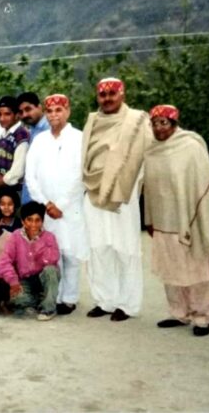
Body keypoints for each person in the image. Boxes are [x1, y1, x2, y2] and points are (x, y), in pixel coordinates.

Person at [145, 104, 209, 336]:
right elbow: (149, 188)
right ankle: (179, 312)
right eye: (154, 123)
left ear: (174, 123)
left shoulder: (191, 146)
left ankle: (203, 317)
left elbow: (204, 184)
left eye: (163, 123)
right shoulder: (151, 150)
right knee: (171, 268)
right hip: (163, 220)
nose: (158, 128)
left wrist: (200, 217)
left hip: (191, 219)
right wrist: (150, 218)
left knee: (198, 269)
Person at [82, 78, 150, 321]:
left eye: (112, 93)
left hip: (124, 194)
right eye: (103, 94)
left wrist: (125, 186)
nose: (107, 98)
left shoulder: (137, 121)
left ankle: (128, 305)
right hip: (93, 192)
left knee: (126, 249)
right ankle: (105, 301)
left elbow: (145, 157)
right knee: (98, 248)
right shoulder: (92, 120)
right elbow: (86, 157)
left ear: (122, 94)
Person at [25, 94, 88, 315]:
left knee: (70, 253)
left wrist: (61, 204)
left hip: (70, 207)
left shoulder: (79, 138)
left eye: (58, 110)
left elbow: (81, 175)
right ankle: (53, 295)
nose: (54, 115)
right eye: (50, 111)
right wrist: (45, 204)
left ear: (68, 111)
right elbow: (30, 175)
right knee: (51, 254)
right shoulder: (40, 140)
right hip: (45, 209)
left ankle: (69, 298)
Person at [0, 202, 61, 321]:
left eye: (37, 220)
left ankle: (48, 309)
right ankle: (38, 300)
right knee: (16, 299)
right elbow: (4, 262)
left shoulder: (49, 237)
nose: (33, 224)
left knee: (51, 270)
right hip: (25, 280)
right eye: (29, 220)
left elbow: (52, 259)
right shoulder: (15, 236)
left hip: (43, 278)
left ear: (42, 222)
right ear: (23, 221)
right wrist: (13, 282)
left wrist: (35, 243)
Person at [16, 92, 49, 202]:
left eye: (28, 109)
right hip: (30, 196)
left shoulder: (49, 130)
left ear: (39, 107)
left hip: (44, 197)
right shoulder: (32, 131)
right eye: (21, 112)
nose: (24, 115)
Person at [0, 96, 30, 192]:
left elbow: (18, 171)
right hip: (4, 188)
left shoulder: (22, 135)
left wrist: (0, 183)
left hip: (16, 191)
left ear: (17, 115)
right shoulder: (3, 134)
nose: (2, 118)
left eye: (7, 114)